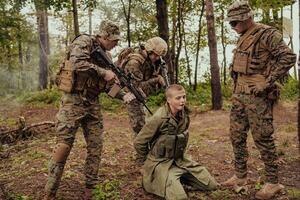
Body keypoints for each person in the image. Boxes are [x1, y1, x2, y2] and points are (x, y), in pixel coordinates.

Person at [44, 20, 135, 200]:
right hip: (73, 101)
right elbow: (77, 63)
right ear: (104, 36)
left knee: (96, 146)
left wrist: (123, 95)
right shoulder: (84, 42)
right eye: (114, 40)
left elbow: (106, 87)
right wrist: (103, 72)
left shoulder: (106, 56)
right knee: (63, 145)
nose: (116, 44)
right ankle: (50, 192)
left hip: (92, 103)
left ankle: (90, 187)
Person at [222, 1, 296, 199]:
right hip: (239, 95)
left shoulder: (267, 34)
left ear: (248, 18)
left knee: (263, 138)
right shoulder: (242, 36)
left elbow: (288, 57)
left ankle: (273, 182)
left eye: (235, 22)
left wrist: (268, 82)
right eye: (230, 23)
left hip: (257, 97)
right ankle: (240, 176)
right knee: (236, 136)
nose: (233, 26)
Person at [134, 84, 218, 200]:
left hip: (180, 160)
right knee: (179, 198)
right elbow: (139, 142)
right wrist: (145, 163)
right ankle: (159, 179)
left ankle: (178, 179)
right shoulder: (159, 118)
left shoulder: (184, 115)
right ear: (169, 100)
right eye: (178, 98)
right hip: (161, 163)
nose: (182, 101)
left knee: (211, 185)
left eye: (184, 97)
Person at [120, 36, 168, 136]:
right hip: (131, 94)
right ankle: (141, 149)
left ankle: (143, 148)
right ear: (149, 50)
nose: (157, 58)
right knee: (140, 126)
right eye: (155, 55)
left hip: (140, 95)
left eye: (159, 56)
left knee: (143, 124)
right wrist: (157, 79)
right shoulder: (134, 62)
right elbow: (135, 88)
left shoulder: (151, 60)